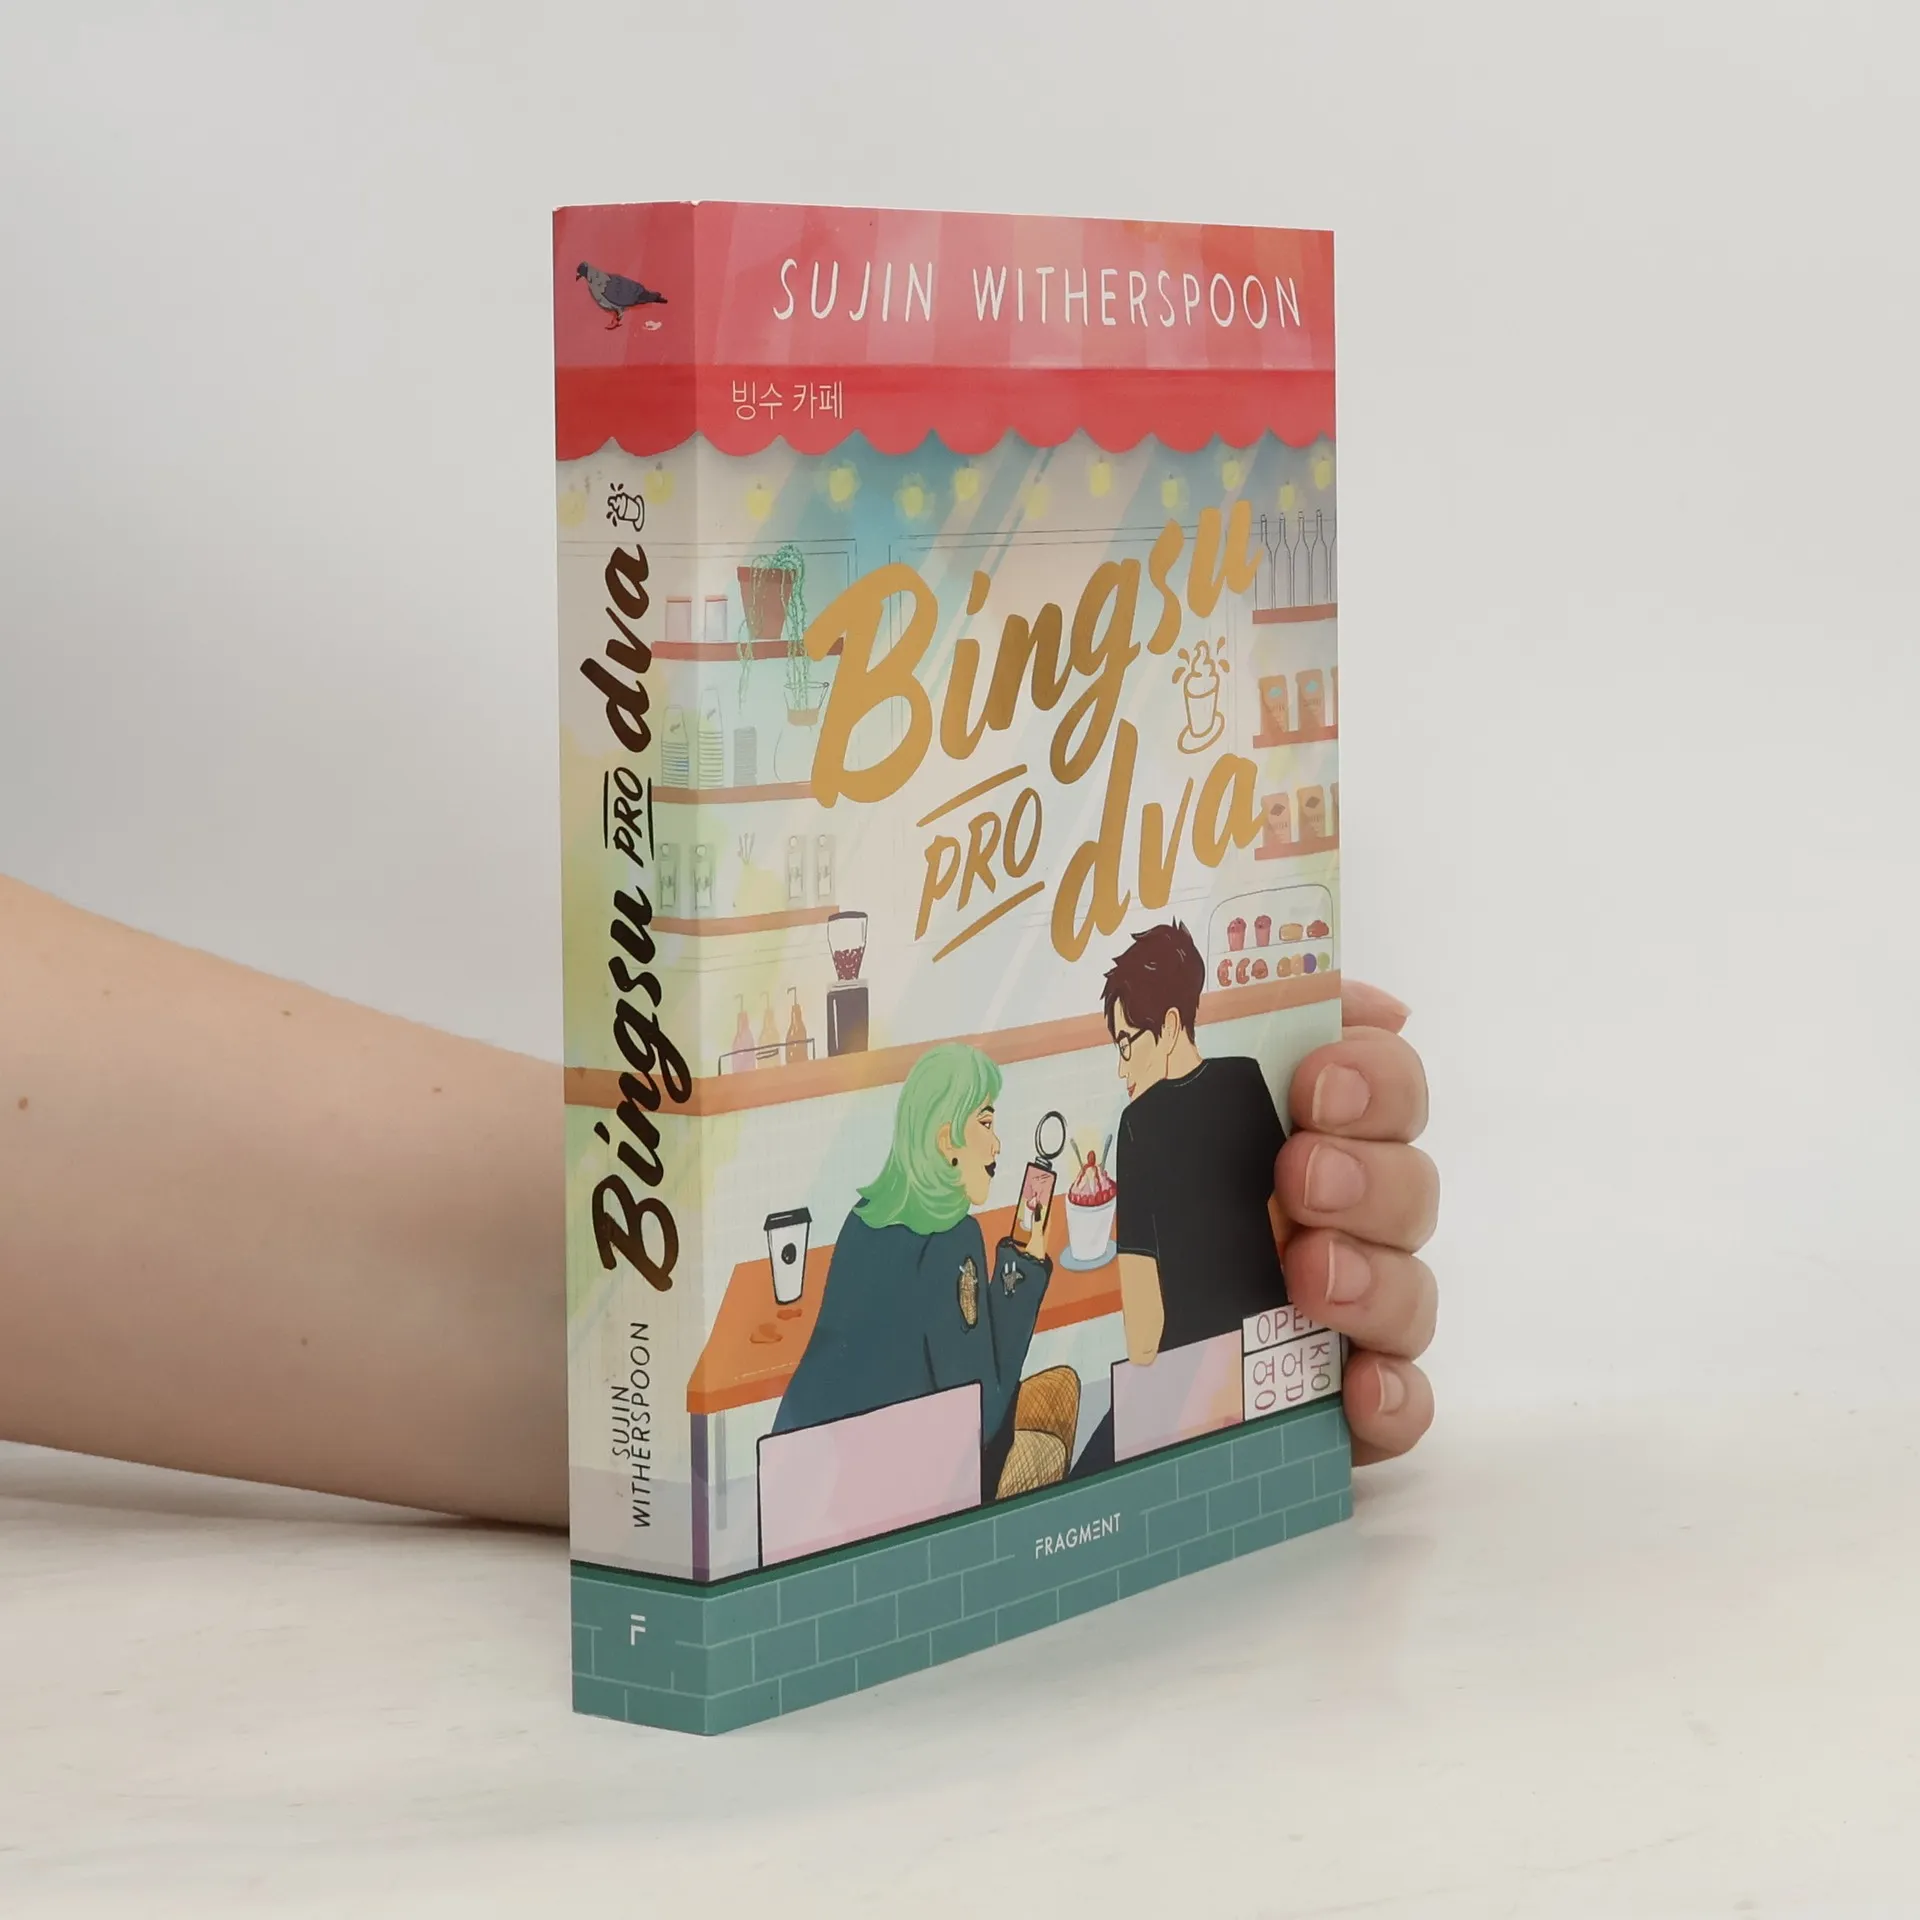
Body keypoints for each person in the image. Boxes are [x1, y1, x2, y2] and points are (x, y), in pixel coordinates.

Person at [0, 874, 1439, 1526]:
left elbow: (1020, 1356)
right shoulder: (931, 1235)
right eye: (987, 1127)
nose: (1008, 1141)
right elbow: (991, 1384)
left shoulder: (915, 1228)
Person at [771, 1042, 1066, 1500]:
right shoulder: (954, 1240)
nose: (997, 1145)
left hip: (803, 1487)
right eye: (986, 1123)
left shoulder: (863, 1219)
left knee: (1060, 1386)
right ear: (948, 1142)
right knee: (1056, 1425)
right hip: (897, 1499)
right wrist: (1022, 1267)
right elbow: (982, 1416)